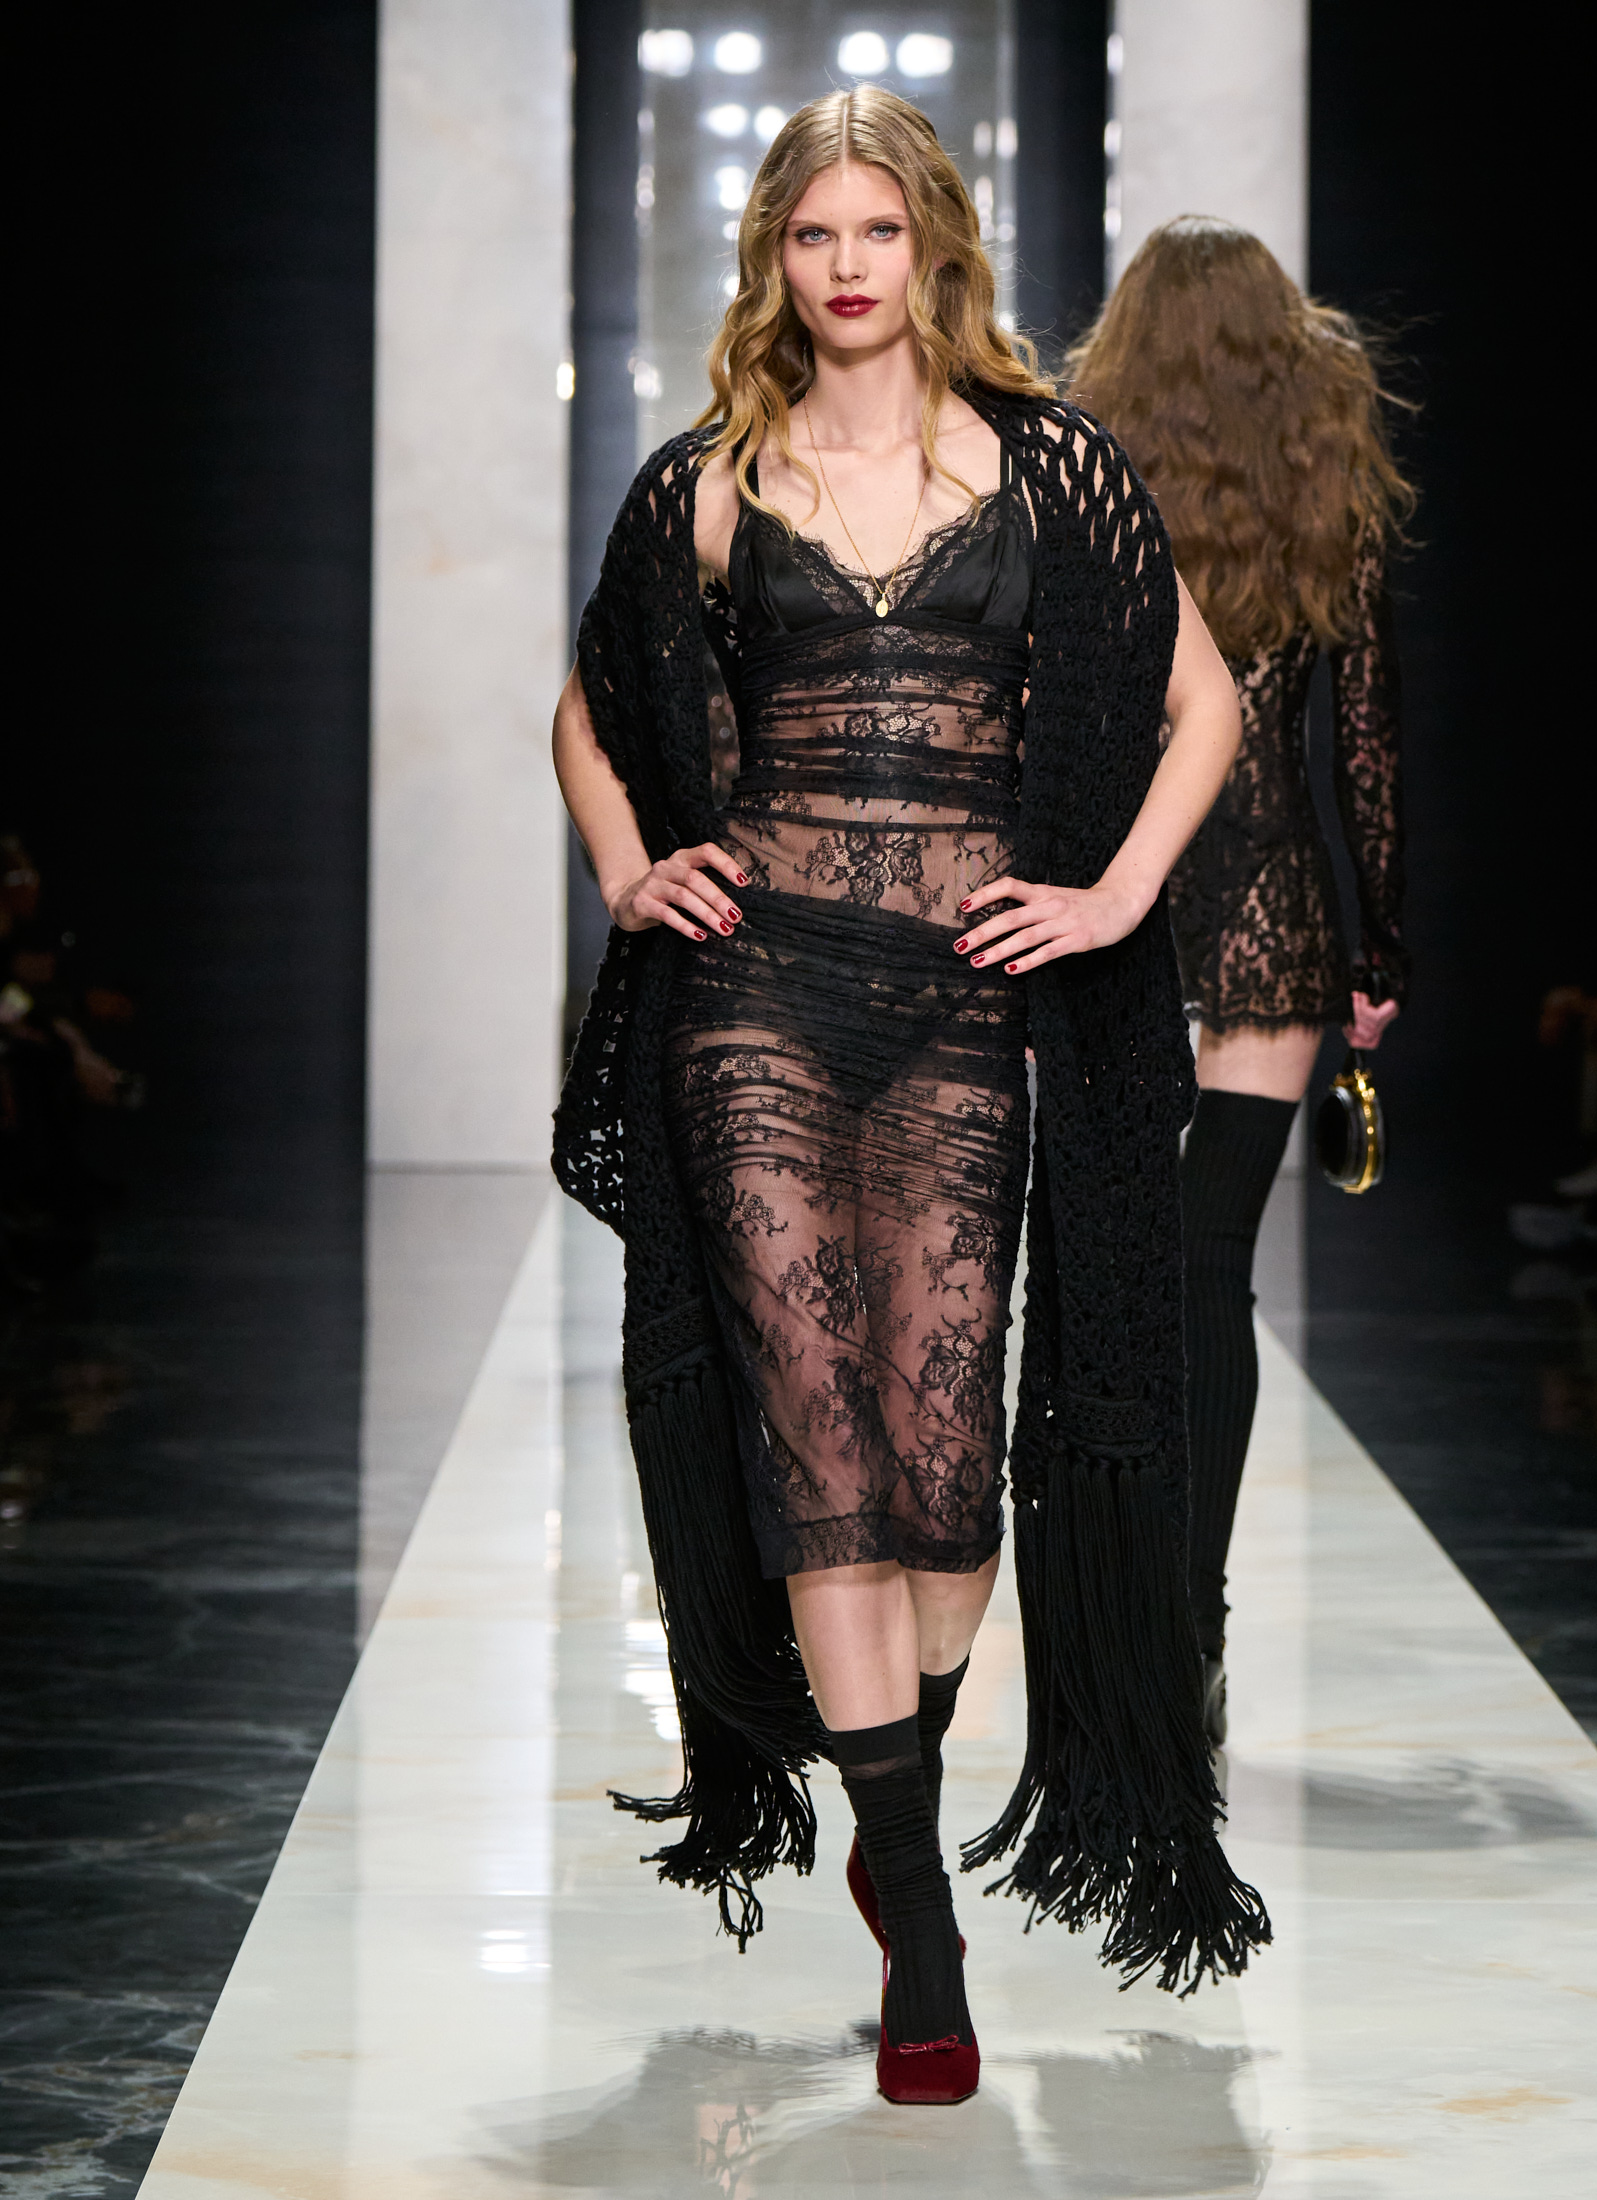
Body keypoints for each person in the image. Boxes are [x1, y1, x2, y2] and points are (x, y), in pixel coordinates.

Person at [551, 92, 1268, 2107]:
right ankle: (923, 1936)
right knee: (818, 1423)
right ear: (774, 258)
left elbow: (1205, 704)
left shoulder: (1050, 467)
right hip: (756, 994)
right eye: (811, 235)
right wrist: (628, 865)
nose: (846, 265)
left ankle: (896, 1792)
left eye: (878, 229)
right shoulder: (713, 477)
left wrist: (1113, 896)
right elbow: (591, 706)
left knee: (945, 1462)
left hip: (963, 1002)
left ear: (936, 243)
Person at [1067, 218, 1414, 1744]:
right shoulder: (1325, 491)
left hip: (1121, 892)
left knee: (1109, 1274)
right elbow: (1366, 747)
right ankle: (1188, 1633)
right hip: (1271, 899)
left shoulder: (1086, 478)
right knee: (1211, 1272)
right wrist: (1381, 949)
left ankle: (1114, 1617)